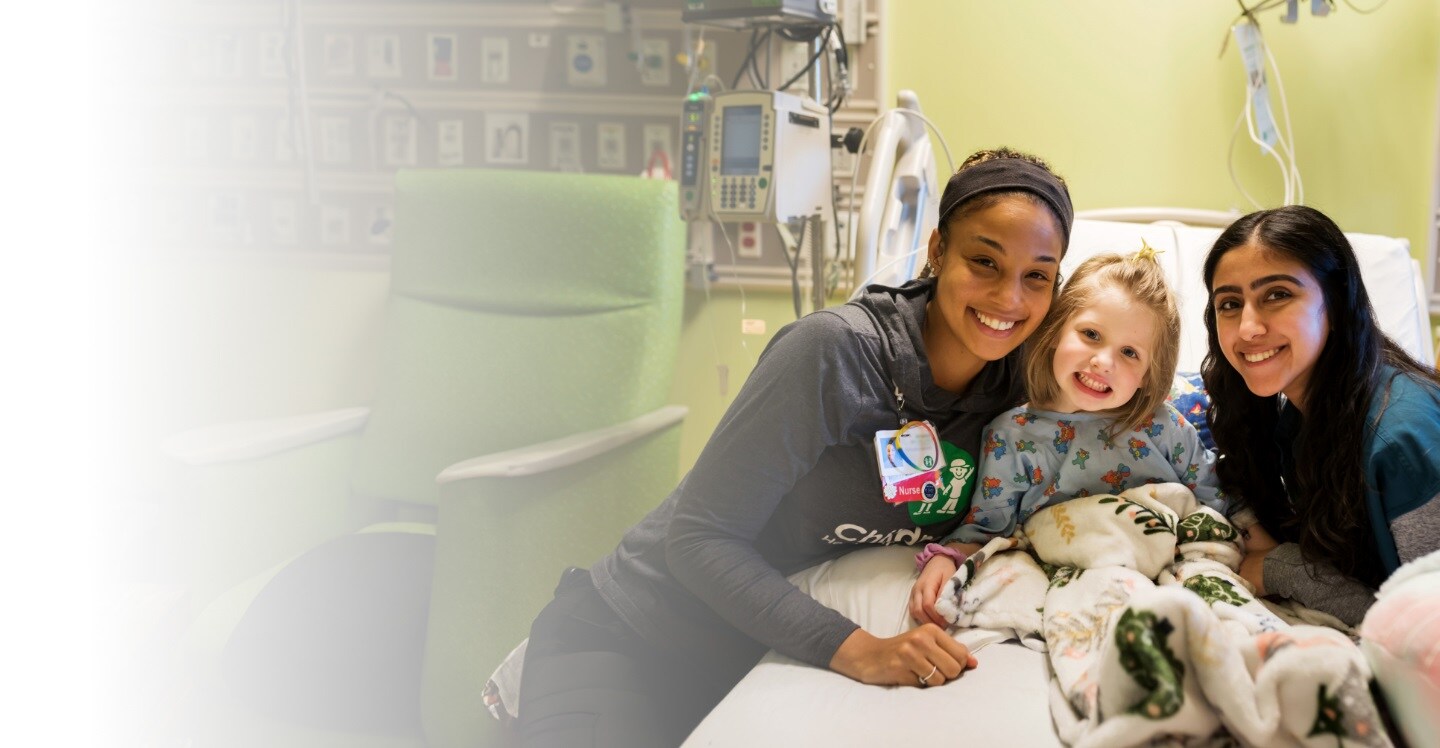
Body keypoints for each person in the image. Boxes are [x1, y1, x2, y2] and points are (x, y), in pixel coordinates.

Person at [515, 147, 1074, 747]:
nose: (1010, 298)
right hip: (634, 635)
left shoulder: (1022, 391)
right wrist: (857, 650)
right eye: (984, 261)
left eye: (1037, 275)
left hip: (749, 657)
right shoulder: (834, 354)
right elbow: (700, 540)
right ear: (937, 250)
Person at [908, 247, 1227, 627]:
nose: (1104, 362)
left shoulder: (1161, 425)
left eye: (1129, 352)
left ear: (1148, 375)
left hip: (1164, 561)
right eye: (1091, 334)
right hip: (1077, 571)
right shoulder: (1011, 436)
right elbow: (986, 525)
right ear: (1057, 330)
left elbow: (1216, 500)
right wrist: (946, 559)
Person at [1201, 204, 1440, 626]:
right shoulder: (1298, 412)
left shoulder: (1403, 439)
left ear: (1335, 302)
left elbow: (1424, 633)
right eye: (1230, 304)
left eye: (1277, 294)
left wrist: (1287, 569)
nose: (1248, 328)